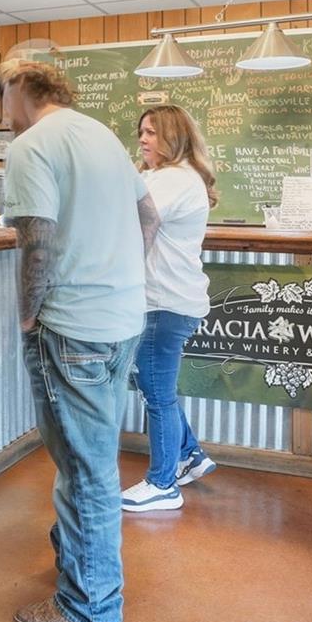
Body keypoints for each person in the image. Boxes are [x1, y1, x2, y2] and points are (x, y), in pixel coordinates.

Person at [0, 59, 157, 622]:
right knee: (86, 458)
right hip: (122, 319)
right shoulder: (101, 135)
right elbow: (149, 217)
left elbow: (36, 241)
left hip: (72, 326)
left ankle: (90, 606)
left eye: (0, 97)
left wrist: (28, 314)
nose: (0, 112)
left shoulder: (32, 145)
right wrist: (120, 275)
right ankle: (79, 564)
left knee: (88, 471)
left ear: (20, 88)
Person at [121, 106, 217, 513]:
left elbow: (131, 224)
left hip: (164, 302)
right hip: (169, 299)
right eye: (141, 131)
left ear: (173, 137)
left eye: (152, 132)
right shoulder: (163, 176)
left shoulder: (174, 179)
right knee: (157, 385)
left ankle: (163, 484)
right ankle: (189, 454)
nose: (143, 139)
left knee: (156, 392)